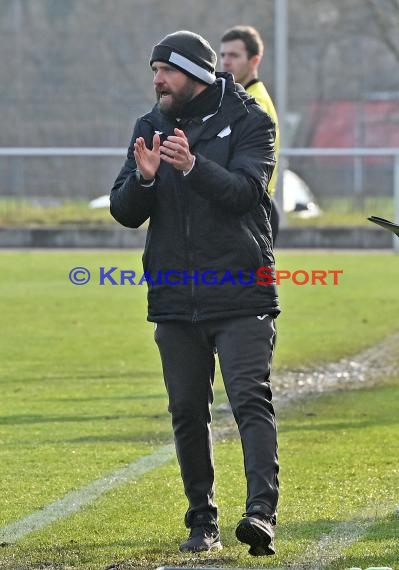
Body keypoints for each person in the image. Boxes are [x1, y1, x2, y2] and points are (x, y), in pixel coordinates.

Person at [110, 30, 280, 557]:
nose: (157, 80)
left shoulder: (253, 119)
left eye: (167, 70)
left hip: (241, 289)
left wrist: (192, 167)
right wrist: (145, 180)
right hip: (175, 297)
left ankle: (260, 514)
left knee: (250, 399)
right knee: (187, 410)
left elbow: (246, 194)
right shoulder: (150, 125)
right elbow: (124, 210)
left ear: (197, 73)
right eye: (154, 70)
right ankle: (202, 521)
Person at [220, 25, 281, 245]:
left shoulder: (254, 104)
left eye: (234, 55)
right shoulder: (240, 99)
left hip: (253, 209)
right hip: (249, 207)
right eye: (223, 55)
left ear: (255, 61)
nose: (225, 61)